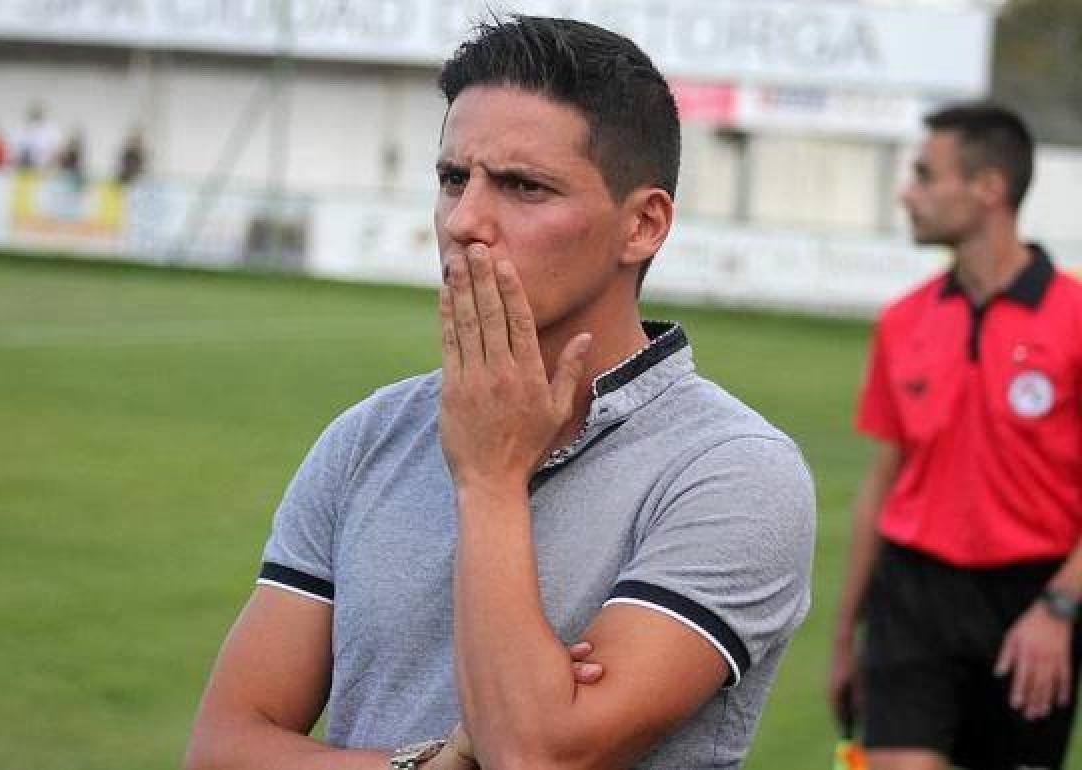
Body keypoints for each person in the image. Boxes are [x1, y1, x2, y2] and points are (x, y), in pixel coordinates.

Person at [185, 16, 815, 770]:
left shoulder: (733, 471)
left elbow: (537, 754)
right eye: (454, 179)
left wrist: (488, 478)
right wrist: (423, 766)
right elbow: (222, 748)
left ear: (643, 225)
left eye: (524, 187)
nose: (466, 222)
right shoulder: (369, 435)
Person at [828, 104, 1082, 770]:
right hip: (912, 594)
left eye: (923, 175)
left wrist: (1059, 608)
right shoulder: (903, 320)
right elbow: (883, 481)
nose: (906, 193)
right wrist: (843, 636)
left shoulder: (1075, 319)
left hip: (1032, 601)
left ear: (988, 188)